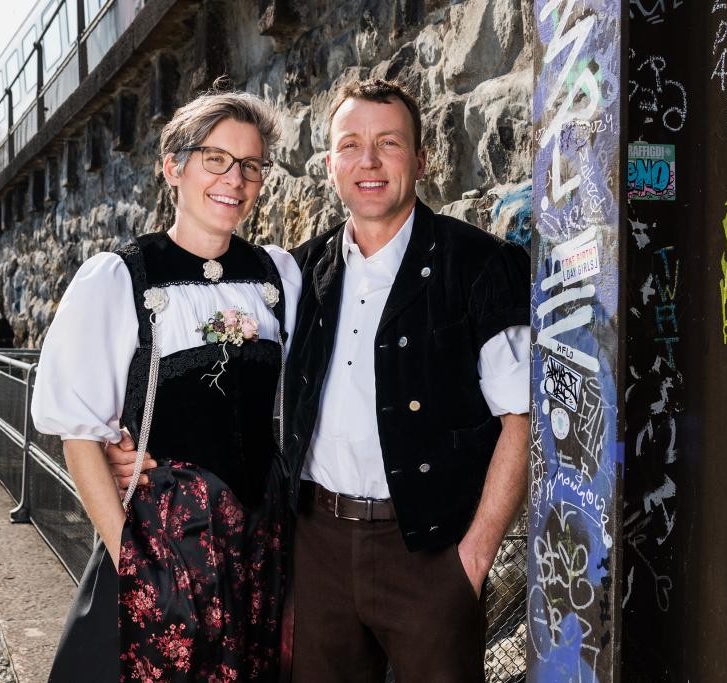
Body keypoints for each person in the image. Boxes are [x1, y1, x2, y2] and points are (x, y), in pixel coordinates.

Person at [109, 78, 531, 682]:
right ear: (330, 165)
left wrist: (473, 557)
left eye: (389, 143)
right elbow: (232, 385)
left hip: (431, 553)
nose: (369, 161)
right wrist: (130, 443)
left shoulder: (478, 264)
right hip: (315, 550)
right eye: (350, 145)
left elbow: (521, 418)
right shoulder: (299, 272)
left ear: (421, 159)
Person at [31, 89, 301, 682]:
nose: (234, 179)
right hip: (166, 545)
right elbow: (80, 435)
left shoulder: (277, 275)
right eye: (215, 159)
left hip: (259, 547)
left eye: (250, 165)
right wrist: (133, 563)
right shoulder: (121, 278)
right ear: (173, 167)